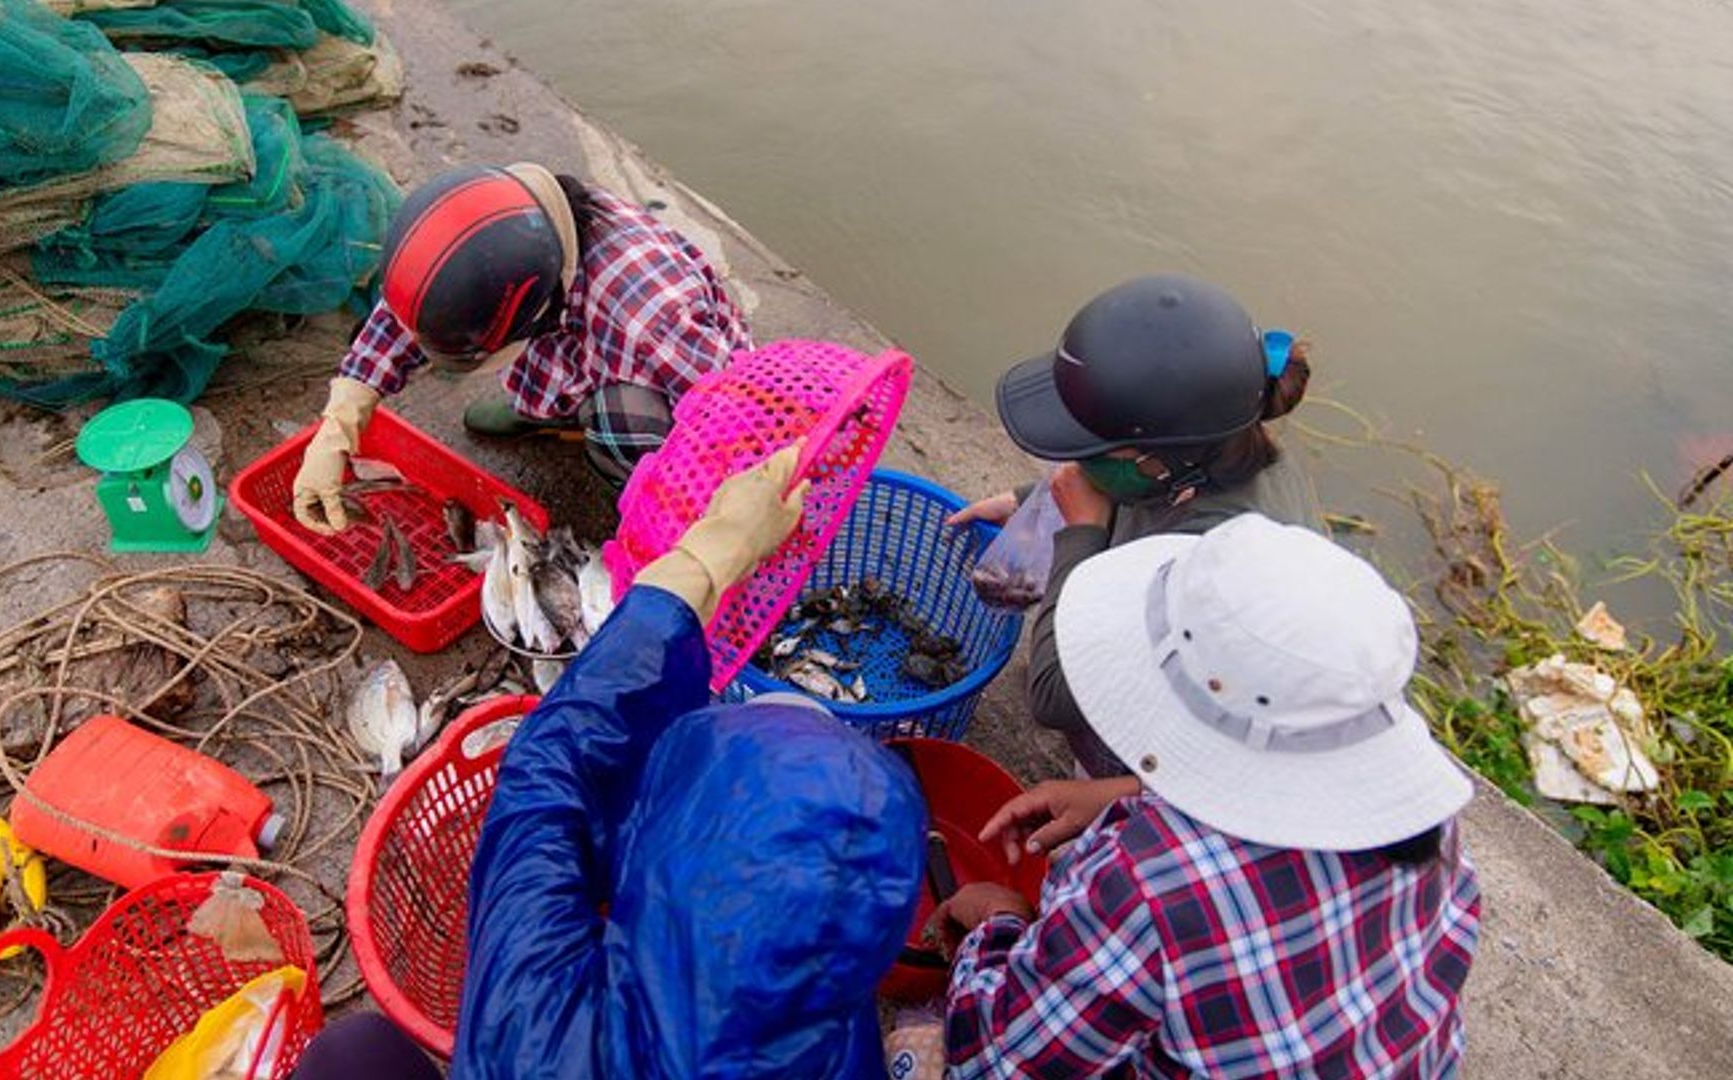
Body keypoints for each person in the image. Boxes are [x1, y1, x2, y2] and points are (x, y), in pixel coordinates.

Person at [294, 446, 927, 1078]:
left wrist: (703, 560)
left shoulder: (536, 1023)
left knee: (350, 1057)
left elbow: (547, 774)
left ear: (656, 861)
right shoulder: (842, 1043)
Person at [930, 514, 1481, 1078]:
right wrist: (1128, 793)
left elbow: (997, 1061)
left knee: (919, 1050)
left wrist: (999, 920)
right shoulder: (1428, 826)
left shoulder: (1147, 885)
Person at [949, 273, 1322, 777]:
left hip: (1187, 759)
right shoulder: (1223, 452)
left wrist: (1080, 534)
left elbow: (1054, 698)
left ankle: (1118, 788)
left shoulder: (1210, 563)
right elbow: (1129, 486)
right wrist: (1028, 501)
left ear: (1161, 459)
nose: (1076, 465)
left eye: (1094, 450)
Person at [291, 162, 752, 531]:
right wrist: (339, 426)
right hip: (580, 334)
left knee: (625, 421)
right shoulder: (506, 223)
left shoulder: (651, 320)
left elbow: (736, 423)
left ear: (544, 310)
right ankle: (553, 411)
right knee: (498, 326)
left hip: (677, 381)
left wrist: (712, 537)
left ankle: (641, 503)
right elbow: (415, 311)